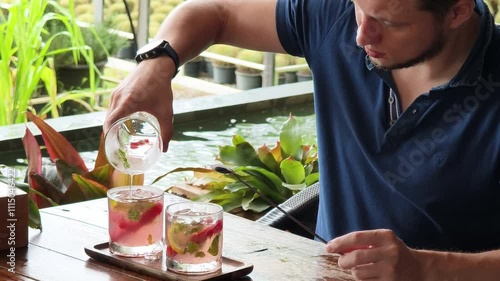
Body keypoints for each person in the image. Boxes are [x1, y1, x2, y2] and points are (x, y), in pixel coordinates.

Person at [104, 0, 500, 279]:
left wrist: (425, 269)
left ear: (458, 11)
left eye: (389, 22)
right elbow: (215, 12)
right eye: (358, 7)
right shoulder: (335, 17)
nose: (361, 35)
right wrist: (155, 66)